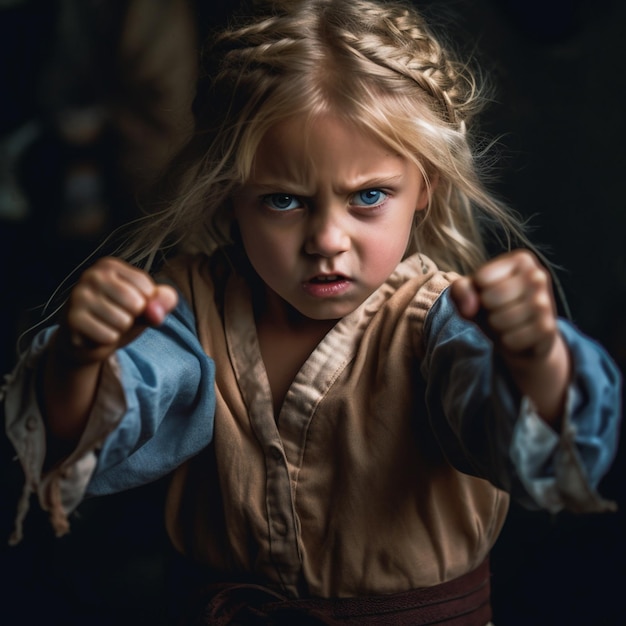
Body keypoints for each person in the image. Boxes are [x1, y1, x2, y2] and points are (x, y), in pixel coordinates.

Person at [2, 0, 621, 623]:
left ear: (425, 185)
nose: (327, 239)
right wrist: (81, 358)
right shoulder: (188, 310)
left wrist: (535, 357)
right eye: (283, 201)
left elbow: (521, 438)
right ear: (228, 194)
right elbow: (90, 426)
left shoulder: (442, 324)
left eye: (369, 196)